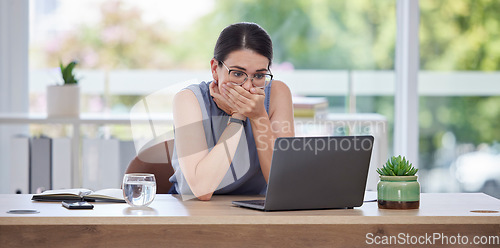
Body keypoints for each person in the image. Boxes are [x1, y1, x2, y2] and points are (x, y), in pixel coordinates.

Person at [169, 22, 294, 200]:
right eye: (237, 73)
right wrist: (238, 117)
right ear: (214, 69)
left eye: (258, 76)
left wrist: (258, 116)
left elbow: (284, 185)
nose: (248, 86)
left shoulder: (276, 94)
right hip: (192, 210)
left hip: (254, 211)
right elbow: (202, 190)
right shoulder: (188, 99)